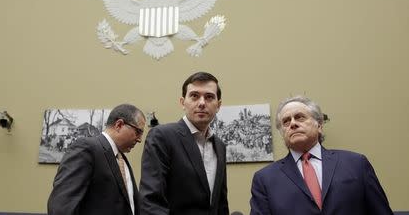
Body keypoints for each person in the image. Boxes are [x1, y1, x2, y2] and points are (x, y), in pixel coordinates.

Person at [249, 95, 393, 215]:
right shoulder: (265, 179)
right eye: (286, 122)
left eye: (299, 117)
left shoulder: (356, 164)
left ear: (319, 125)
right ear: (282, 133)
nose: (292, 124)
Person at [139, 71, 229, 215]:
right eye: (194, 96)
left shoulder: (220, 146)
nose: (201, 103)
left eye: (209, 97)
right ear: (182, 102)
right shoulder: (162, 136)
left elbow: (221, 204)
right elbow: (151, 201)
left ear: (218, 105)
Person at [47, 104, 146, 215]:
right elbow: (62, 206)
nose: (139, 140)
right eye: (138, 132)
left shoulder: (122, 159)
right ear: (119, 125)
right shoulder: (86, 149)